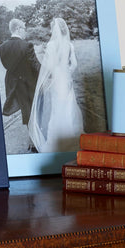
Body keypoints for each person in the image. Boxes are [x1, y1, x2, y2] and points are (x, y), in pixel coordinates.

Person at [28, 18, 84, 153]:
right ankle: (70, 137)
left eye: (52, 27)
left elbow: (49, 66)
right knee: (68, 107)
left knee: (56, 109)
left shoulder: (51, 45)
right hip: (67, 80)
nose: (51, 30)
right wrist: (67, 72)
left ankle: (56, 141)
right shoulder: (69, 45)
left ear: (55, 29)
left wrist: (41, 55)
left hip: (57, 81)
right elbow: (74, 64)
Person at [0, 18, 40, 133]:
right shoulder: (27, 45)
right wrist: (48, 74)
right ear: (18, 29)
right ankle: (35, 136)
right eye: (24, 28)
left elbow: (6, 65)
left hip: (13, 84)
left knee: (25, 110)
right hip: (28, 84)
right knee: (34, 110)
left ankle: (32, 135)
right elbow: (36, 66)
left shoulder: (2, 47)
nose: (25, 31)